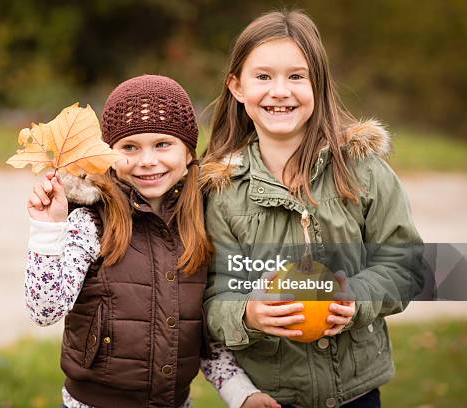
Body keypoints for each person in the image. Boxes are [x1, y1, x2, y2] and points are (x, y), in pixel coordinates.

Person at [201, 10, 424, 408]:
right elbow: (214, 294)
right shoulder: (223, 191)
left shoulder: (362, 169)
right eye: (263, 76)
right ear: (236, 87)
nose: (280, 91)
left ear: (318, 84)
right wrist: (248, 315)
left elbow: (404, 263)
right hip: (272, 394)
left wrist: (357, 297)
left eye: (297, 76)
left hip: (356, 392)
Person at [24, 75, 280, 407]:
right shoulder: (91, 223)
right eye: (130, 147)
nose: (147, 160)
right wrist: (47, 230)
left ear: (188, 153)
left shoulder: (200, 226)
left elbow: (202, 336)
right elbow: (45, 310)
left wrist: (240, 393)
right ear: (109, 157)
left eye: (162, 144)